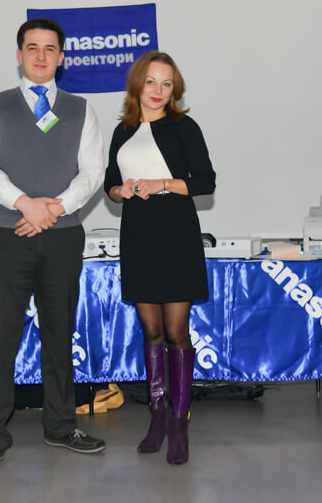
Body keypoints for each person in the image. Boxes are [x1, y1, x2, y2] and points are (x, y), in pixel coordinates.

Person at [0, 17, 106, 475]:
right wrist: (26, 204)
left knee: (59, 335)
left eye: (49, 49)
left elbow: (93, 171)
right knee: (0, 337)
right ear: (20, 55)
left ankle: (62, 426)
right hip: (7, 235)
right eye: (32, 48)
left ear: (61, 57)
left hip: (63, 236)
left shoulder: (82, 109)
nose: (41, 56)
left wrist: (56, 208)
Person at [103, 51, 215, 465]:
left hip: (177, 238)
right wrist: (120, 191)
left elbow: (205, 182)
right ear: (138, 83)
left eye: (167, 84)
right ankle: (157, 418)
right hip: (138, 238)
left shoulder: (184, 127)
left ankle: (180, 423)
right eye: (151, 82)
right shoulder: (123, 130)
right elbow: (110, 183)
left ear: (174, 90)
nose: (158, 91)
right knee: (150, 331)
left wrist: (161, 183)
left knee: (175, 332)